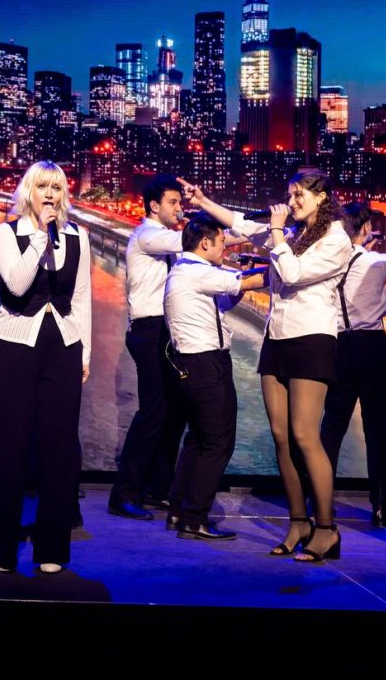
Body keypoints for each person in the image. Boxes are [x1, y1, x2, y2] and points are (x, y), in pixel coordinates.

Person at [109, 175, 247, 522]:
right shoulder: (148, 235)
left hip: (167, 333)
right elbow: (188, 242)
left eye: (179, 202)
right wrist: (233, 232)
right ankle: (125, 493)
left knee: (175, 414)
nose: (179, 207)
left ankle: (158, 488)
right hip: (150, 329)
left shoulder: (167, 242)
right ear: (154, 206)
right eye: (173, 202)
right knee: (153, 413)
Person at [0, 160, 91, 574]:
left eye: (57, 188)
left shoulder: (77, 236)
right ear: (28, 191)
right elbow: (16, 284)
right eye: (42, 186)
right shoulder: (8, 233)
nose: (50, 194)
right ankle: (5, 545)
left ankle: (51, 548)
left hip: (62, 346)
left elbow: (80, 298)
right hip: (13, 346)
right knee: (10, 447)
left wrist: (83, 353)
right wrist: (41, 240)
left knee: (58, 449)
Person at [257, 170, 352, 562]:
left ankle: (326, 528)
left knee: (304, 435)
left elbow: (293, 275)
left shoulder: (336, 239)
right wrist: (205, 202)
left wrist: (278, 232)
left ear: (321, 196)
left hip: (312, 339)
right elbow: (244, 226)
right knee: (280, 436)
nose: (292, 201)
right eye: (290, 194)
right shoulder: (294, 236)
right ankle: (298, 522)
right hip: (276, 337)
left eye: (299, 195)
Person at [163, 213, 267, 539]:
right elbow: (245, 281)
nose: (225, 248)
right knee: (219, 442)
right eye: (222, 242)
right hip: (207, 364)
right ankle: (196, 518)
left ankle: (179, 511)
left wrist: (241, 281)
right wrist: (284, 266)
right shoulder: (196, 271)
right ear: (205, 243)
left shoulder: (189, 273)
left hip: (193, 364)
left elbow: (227, 298)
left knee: (198, 439)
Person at [320, 202, 386, 528]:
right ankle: (381, 507)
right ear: (368, 228)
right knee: (377, 431)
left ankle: (320, 499)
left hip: (339, 347)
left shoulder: (329, 262)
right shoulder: (377, 261)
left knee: (332, 428)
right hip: (372, 346)